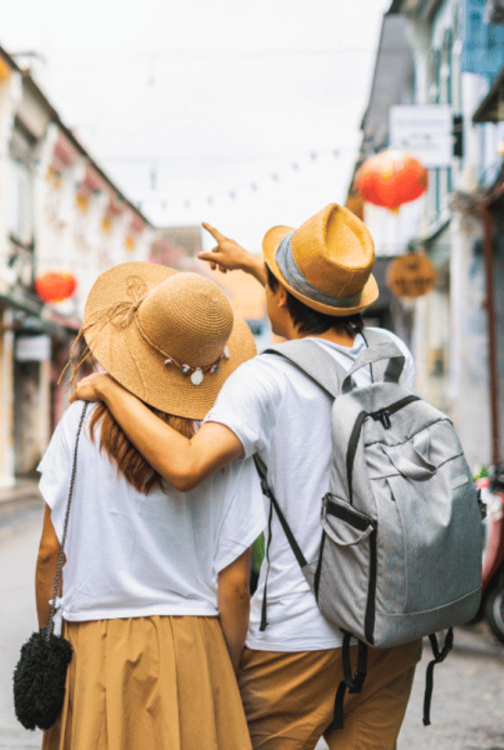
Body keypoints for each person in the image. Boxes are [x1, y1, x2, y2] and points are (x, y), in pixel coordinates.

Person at [73, 204, 423, 750]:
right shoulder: (391, 357)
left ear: (280, 297)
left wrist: (110, 389)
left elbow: (186, 467)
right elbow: (318, 314)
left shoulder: (263, 379)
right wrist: (260, 269)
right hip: (388, 627)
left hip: (297, 637)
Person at [37, 262, 263, 749]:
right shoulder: (220, 442)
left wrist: (47, 636)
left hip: (92, 640)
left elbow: (50, 552)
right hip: (194, 645)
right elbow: (235, 585)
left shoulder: (79, 424)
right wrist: (221, 665)